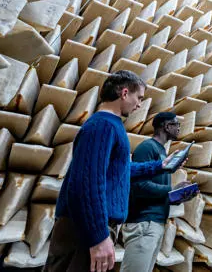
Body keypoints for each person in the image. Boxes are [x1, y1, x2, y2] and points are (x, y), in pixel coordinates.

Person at [44, 70, 178, 272]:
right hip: (85, 229)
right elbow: (87, 184)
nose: (139, 104)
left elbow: (120, 170)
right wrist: (98, 236)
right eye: (139, 97)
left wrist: (159, 166)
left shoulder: (110, 126)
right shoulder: (103, 125)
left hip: (91, 227)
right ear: (124, 93)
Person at [120, 112, 182, 272]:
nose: (179, 128)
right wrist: (171, 189)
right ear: (167, 126)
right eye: (176, 124)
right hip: (144, 223)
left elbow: (159, 191)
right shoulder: (147, 148)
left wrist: (179, 194)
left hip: (155, 223)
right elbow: (139, 186)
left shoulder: (162, 152)